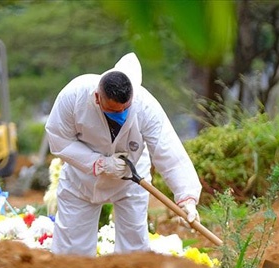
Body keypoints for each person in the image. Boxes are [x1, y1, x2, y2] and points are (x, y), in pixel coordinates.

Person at [45, 53, 201, 256]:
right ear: (97, 98)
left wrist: (186, 198)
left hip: (132, 178)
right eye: (112, 110)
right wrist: (100, 164)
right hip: (82, 179)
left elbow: (168, 149)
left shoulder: (145, 105)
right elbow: (59, 139)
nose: (120, 115)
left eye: (124, 109)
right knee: (72, 253)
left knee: (133, 249)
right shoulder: (73, 96)